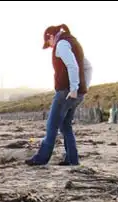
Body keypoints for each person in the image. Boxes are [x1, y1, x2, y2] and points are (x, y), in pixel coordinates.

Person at [26, 24, 93, 167]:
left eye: (48, 43)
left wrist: (74, 88)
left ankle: (41, 158)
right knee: (65, 126)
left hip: (66, 92)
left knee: (52, 125)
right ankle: (72, 159)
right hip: (76, 93)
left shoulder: (62, 44)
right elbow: (88, 67)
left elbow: (72, 65)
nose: (50, 46)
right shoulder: (74, 43)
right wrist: (83, 88)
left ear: (51, 36)